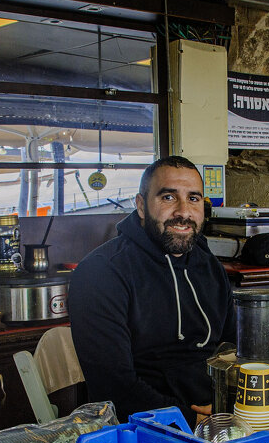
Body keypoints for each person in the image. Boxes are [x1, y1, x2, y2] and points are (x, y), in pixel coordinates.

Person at [69, 156, 235, 426]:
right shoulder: (101, 272)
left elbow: (232, 351)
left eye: (193, 199)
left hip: (219, 420)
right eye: (168, 197)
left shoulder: (211, 267)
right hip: (142, 430)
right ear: (141, 206)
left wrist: (231, 409)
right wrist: (189, 419)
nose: (183, 212)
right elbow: (113, 387)